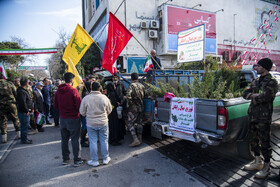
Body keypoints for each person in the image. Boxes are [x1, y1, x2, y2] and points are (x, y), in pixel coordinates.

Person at [242, 58, 279, 179]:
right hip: (252, 115)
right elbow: (245, 93)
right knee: (253, 140)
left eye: (258, 66)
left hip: (263, 117)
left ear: (264, 67)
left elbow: (266, 97)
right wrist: (254, 95)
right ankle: (258, 162)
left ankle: (267, 167)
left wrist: (254, 95)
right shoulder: (256, 80)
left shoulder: (272, 81)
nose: (256, 67)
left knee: (265, 141)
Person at [54, 72, 83, 167]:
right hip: (73, 118)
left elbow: (55, 105)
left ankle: (65, 159)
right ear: (71, 80)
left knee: (64, 139)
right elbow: (79, 105)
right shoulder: (73, 91)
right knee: (75, 139)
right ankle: (77, 159)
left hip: (62, 118)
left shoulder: (58, 91)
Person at [79, 82, 112, 167]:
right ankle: (105, 158)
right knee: (104, 140)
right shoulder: (104, 98)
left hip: (91, 123)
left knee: (93, 141)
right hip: (103, 122)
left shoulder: (86, 99)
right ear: (99, 88)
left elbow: (82, 112)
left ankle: (94, 160)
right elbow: (109, 109)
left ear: (90, 88)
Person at [106, 72, 126, 145]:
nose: (115, 79)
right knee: (113, 124)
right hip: (112, 109)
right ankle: (113, 140)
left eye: (116, 77)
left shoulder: (121, 85)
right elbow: (111, 96)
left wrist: (122, 100)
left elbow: (124, 94)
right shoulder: (110, 86)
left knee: (119, 124)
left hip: (119, 108)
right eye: (113, 77)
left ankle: (119, 138)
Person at [0, 72, 21, 143]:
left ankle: (4, 138)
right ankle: (19, 134)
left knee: (3, 120)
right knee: (15, 118)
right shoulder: (10, 84)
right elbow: (15, 93)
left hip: (1, 105)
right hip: (11, 104)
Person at [126, 72, 146, 147]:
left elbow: (128, 96)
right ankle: (140, 139)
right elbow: (146, 95)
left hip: (133, 108)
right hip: (141, 107)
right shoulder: (142, 85)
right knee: (140, 123)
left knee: (130, 123)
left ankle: (135, 139)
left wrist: (130, 104)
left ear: (131, 78)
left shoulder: (131, 85)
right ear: (137, 78)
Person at [17, 77, 33, 144]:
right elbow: (22, 102)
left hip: (25, 111)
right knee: (24, 126)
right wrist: (26, 111)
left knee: (25, 126)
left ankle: (25, 138)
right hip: (24, 112)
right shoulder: (21, 91)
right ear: (26, 83)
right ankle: (24, 140)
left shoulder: (22, 90)